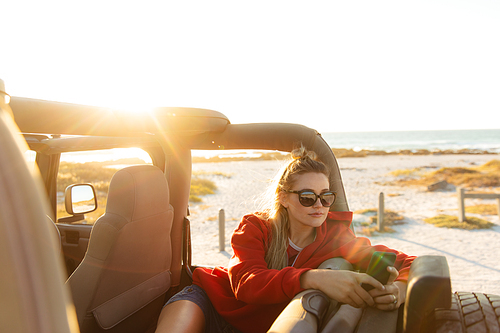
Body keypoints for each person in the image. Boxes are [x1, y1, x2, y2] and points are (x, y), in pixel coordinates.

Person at [155, 146, 415, 333]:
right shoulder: (256, 227)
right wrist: (313, 277)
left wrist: (399, 290)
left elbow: (408, 262)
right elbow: (246, 283)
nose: (319, 205)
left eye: (325, 196)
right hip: (210, 301)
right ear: (284, 198)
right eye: (307, 196)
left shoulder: (337, 239)